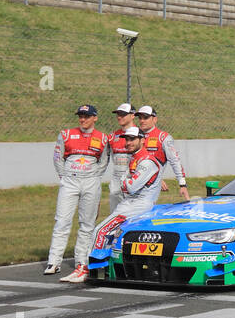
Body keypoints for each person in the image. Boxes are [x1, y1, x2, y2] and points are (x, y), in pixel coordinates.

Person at [66, 126, 162, 283]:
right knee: (116, 237)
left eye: (132, 139)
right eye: (127, 139)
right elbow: (126, 186)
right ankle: (103, 268)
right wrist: (126, 181)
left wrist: (124, 178)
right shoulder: (136, 159)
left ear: (142, 140)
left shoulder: (147, 162)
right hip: (130, 204)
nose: (128, 142)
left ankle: (87, 269)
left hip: (137, 206)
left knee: (100, 231)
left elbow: (130, 187)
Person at [46, 105, 110, 276]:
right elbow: (57, 157)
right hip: (70, 180)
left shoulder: (103, 138)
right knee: (62, 221)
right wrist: (64, 175)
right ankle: (54, 261)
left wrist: (94, 175)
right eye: (81, 116)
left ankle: (81, 261)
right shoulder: (66, 134)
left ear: (95, 118)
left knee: (87, 223)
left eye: (87, 116)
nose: (83, 119)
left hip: (91, 181)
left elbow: (104, 161)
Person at [135, 105, 189, 201]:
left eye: (146, 117)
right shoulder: (133, 137)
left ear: (155, 119)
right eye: (140, 118)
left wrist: (182, 184)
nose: (142, 121)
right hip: (132, 183)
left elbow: (175, 161)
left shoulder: (163, 137)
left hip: (149, 187)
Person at [106, 103, 136, 212]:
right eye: (118, 114)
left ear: (132, 115)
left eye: (123, 114)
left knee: (134, 212)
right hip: (117, 178)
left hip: (135, 177)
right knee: (115, 212)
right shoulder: (112, 136)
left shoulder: (141, 134)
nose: (119, 117)